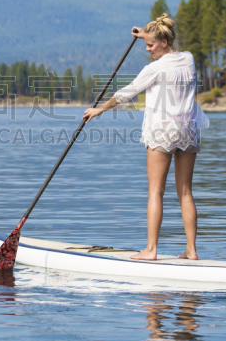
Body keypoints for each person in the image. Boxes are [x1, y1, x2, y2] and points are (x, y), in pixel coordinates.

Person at [83, 13, 210, 260]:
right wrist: (147, 34)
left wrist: (100, 109)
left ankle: (151, 250)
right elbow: (169, 46)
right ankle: (192, 251)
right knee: (185, 192)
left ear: (163, 42)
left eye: (150, 45)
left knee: (155, 191)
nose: (148, 49)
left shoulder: (153, 69)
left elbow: (126, 93)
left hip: (163, 131)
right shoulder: (188, 59)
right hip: (189, 130)